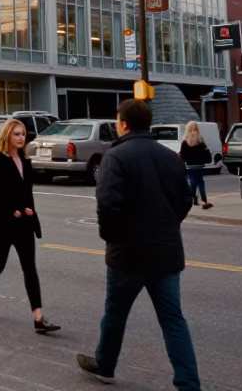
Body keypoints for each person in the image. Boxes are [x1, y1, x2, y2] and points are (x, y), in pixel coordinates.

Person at [77, 99, 200, 390]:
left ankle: (105, 365)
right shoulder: (170, 157)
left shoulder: (115, 157)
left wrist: (111, 237)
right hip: (165, 252)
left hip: (127, 254)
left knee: (115, 314)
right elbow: (184, 200)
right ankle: (188, 384)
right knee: (173, 321)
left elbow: (108, 204)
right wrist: (166, 225)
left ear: (124, 124)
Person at [0, 118, 60, 334]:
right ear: (7, 135)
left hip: (23, 223)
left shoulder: (25, 161)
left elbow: (26, 192)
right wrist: (10, 209)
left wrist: (29, 211)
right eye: (16, 134)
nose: (21, 138)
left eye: (23, 134)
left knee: (30, 268)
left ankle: (38, 317)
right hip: (2, 223)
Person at [179, 121, 213, 211]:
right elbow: (205, 152)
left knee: (193, 182)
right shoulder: (200, 139)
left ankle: (193, 199)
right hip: (200, 165)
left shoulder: (185, 141)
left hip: (190, 166)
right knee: (200, 182)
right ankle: (204, 200)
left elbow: (183, 155)